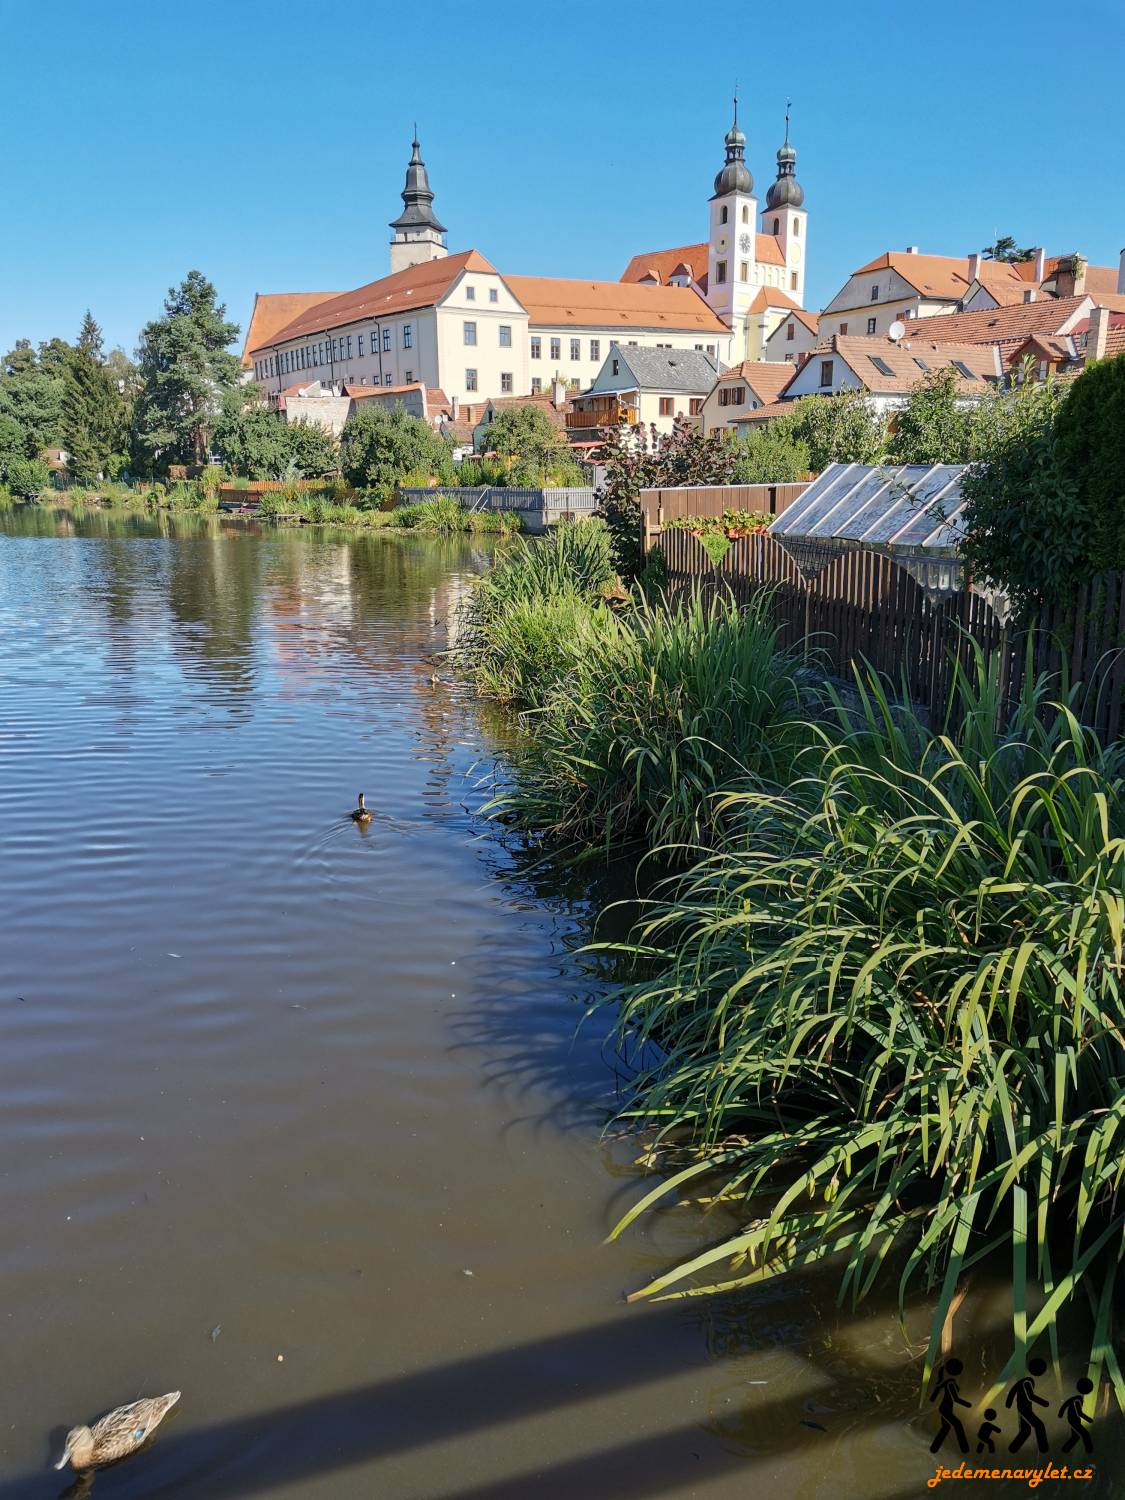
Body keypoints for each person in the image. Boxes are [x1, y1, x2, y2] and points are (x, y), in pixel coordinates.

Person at [1006, 1357, 1050, 1453]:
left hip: (1023, 1407)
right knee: (1039, 1425)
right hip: (1024, 1409)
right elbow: (1031, 1396)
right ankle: (1044, 1448)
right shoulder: (1027, 1382)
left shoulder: (1024, 1381)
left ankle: (1012, 1449)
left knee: (1025, 1430)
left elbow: (1013, 1391)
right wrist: (1044, 1403)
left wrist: (1008, 1403)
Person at [930, 1358, 971, 1455]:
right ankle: (964, 1448)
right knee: (958, 1424)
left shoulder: (948, 1382)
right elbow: (955, 1399)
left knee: (946, 1428)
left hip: (947, 1408)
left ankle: (934, 1448)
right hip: (945, 1409)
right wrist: (968, 1404)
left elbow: (934, 1396)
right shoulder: (950, 1384)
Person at [1059, 1377, 1094, 1455]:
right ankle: (1090, 1451)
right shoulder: (1077, 1400)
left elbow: (1065, 1404)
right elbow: (1079, 1413)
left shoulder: (1075, 1398)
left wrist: (1060, 1414)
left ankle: (1065, 1450)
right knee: (1085, 1434)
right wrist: (1089, 1419)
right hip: (1073, 1420)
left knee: (1075, 1437)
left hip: (1073, 1419)